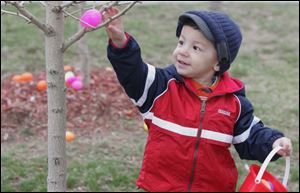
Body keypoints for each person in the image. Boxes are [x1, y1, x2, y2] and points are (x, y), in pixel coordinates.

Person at [102, 7, 292, 192]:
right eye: (181, 42)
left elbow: (251, 135)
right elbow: (132, 72)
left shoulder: (233, 103)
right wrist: (120, 42)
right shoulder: (160, 88)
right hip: (162, 187)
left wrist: (273, 142)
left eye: (195, 47)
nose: (183, 51)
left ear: (218, 62)